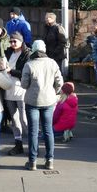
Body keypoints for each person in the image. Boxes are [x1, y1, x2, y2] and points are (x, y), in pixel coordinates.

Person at [21, 40, 64, 171]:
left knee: (33, 131)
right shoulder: (52, 63)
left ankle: (32, 161)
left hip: (32, 101)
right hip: (48, 100)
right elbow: (60, 82)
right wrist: (54, 92)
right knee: (48, 130)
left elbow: (24, 84)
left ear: (33, 50)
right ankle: (49, 160)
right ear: (44, 49)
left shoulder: (29, 64)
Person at [3, 32, 31, 156]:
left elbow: (26, 73)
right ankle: (18, 144)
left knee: (24, 119)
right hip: (9, 90)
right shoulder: (8, 53)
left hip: (21, 91)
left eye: (15, 41)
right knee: (14, 120)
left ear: (21, 41)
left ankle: (32, 145)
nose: (13, 43)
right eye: (11, 41)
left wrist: (11, 71)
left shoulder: (26, 54)